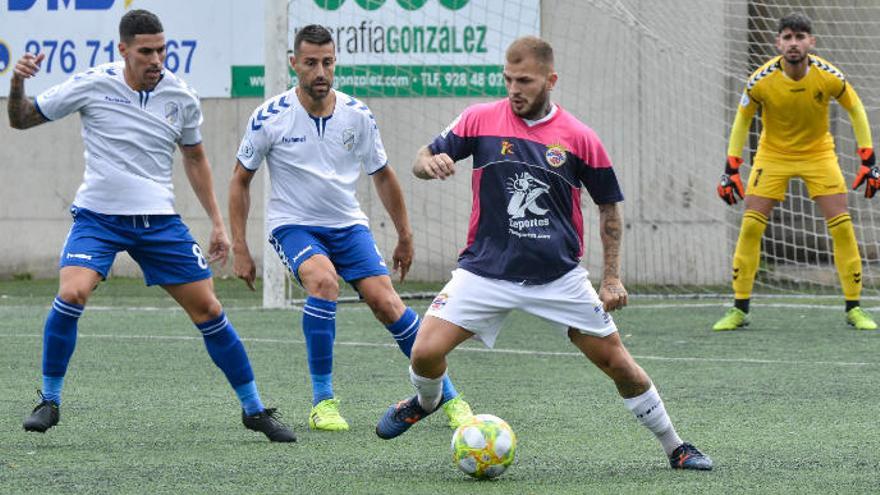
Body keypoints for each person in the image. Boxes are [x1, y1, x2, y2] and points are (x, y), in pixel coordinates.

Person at [374, 35, 712, 471]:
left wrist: (610, 277)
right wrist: (430, 164)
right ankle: (427, 400)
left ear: (551, 80)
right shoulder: (479, 119)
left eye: (526, 81)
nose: (515, 89)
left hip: (558, 277)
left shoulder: (579, 137)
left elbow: (609, 207)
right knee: (423, 352)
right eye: (509, 79)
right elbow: (424, 156)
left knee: (619, 364)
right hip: (485, 272)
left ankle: (676, 447)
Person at [7, 9, 295, 442]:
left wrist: (218, 224)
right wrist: (17, 83)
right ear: (123, 50)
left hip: (159, 222)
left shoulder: (181, 96)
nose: (156, 59)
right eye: (146, 51)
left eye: (161, 49)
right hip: (98, 218)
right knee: (71, 292)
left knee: (210, 310)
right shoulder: (92, 84)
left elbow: (195, 158)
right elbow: (21, 118)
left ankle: (254, 410)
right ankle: (49, 401)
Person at [228, 24, 472, 432]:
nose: (320, 71)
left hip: (348, 225)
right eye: (310, 63)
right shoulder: (269, 117)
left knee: (388, 304)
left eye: (327, 62)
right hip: (294, 225)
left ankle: (450, 397)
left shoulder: (357, 115)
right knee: (323, 282)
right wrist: (239, 245)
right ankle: (323, 402)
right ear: (294, 64)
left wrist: (405, 234)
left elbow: (383, 174)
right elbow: (240, 179)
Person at [714, 12, 878, 331]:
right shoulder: (760, 80)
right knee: (750, 227)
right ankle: (739, 309)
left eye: (800, 37)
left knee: (843, 227)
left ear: (811, 43)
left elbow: (856, 109)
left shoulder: (829, 76)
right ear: (778, 43)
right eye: (787, 37)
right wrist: (731, 168)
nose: (793, 43)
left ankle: (855, 308)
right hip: (772, 155)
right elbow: (741, 120)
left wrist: (868, 159)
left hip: (819, 154)